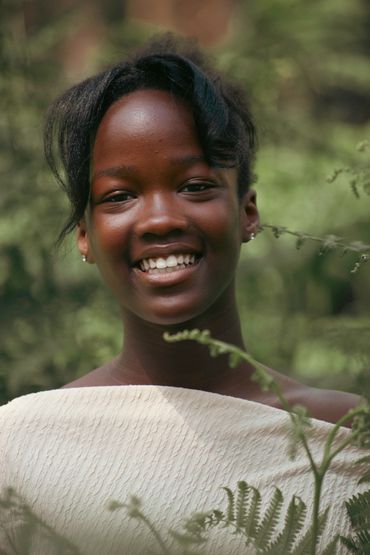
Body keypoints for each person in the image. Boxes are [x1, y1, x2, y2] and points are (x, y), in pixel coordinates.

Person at [0, 34, 365, 554]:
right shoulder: (20, 447)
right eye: (119, 196)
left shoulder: (347, 441)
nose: (160, 219)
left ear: (247, 211)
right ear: (85, 233)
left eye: (194, 185)